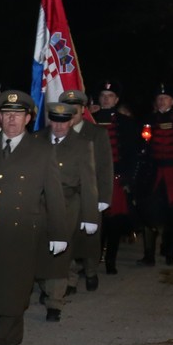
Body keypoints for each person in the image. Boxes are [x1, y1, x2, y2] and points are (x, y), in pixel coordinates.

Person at [0, 90, 68, 345]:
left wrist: (59, 233)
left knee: (16, 285)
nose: (11, 119)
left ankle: (9, 338)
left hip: (21, 230)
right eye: (6, 113)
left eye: (17, 114)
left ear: (28, 118)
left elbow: (54, 193)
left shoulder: (42, 150)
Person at [37, 101, 99, 323]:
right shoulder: (37, 140)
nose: (59, 126)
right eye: (55, 120)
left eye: (64, 121)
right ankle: (46, 286)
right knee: (40, 250)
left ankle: (55, 301)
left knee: (60, 252)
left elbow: (88, 183)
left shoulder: (82, 145)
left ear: (72, 121)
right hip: (38, 204)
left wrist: (91, 216)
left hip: (67, 204)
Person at [134, 84, 173, 266]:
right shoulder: (147, 120)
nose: (161, 101)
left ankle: (169, 253)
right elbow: (139, 147)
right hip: (153, 174)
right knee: (148, 212)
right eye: (159, 98)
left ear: (172, 101)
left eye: (165, 98)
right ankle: (149, 255)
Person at [60, 88, 112, 292]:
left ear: (83, 109)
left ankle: (91, 271)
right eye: (68, 107)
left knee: (90, 238)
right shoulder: (59, 131)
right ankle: (71, 277)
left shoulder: (97, 133)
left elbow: (105, 167)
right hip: (67, 196)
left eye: (76, 107)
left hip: (91, 195)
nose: (72, 111)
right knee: (68, 236)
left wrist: (104, 197)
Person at [94, 80, 138, 275]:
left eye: (110, 96)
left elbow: (131, 154)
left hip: (116, 178)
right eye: (103, 95)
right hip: (92, 178)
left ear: (116, 99)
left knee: (113, 222)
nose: (106, 98)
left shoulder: (127, 123)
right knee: (94, 221)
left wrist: (127, 177)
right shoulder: (89, 119)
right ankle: (93, 260)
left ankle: (111, 260)